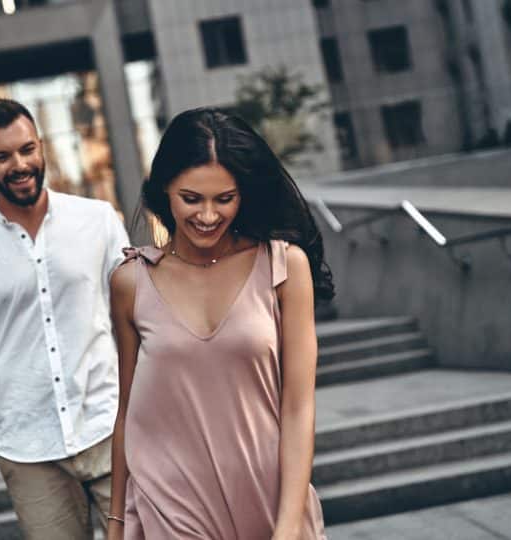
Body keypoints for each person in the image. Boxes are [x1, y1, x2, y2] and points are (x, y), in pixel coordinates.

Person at [107, 107, 334, 539]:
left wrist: (287, 528)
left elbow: (299, 406)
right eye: (191, 198)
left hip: (269, 496)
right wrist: (116, 522)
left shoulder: (284, 267)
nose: (208, 215)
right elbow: (126, 411)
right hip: (171, 503)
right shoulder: (131, 282)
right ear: (164, 191)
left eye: (224, 198)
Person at [0, 98, 129, 539]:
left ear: (41, 147)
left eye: (26, 150)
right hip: (30, 448)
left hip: (110, 427)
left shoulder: (97, 220)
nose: (18, 165)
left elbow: (133, 319)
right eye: (2, 157)